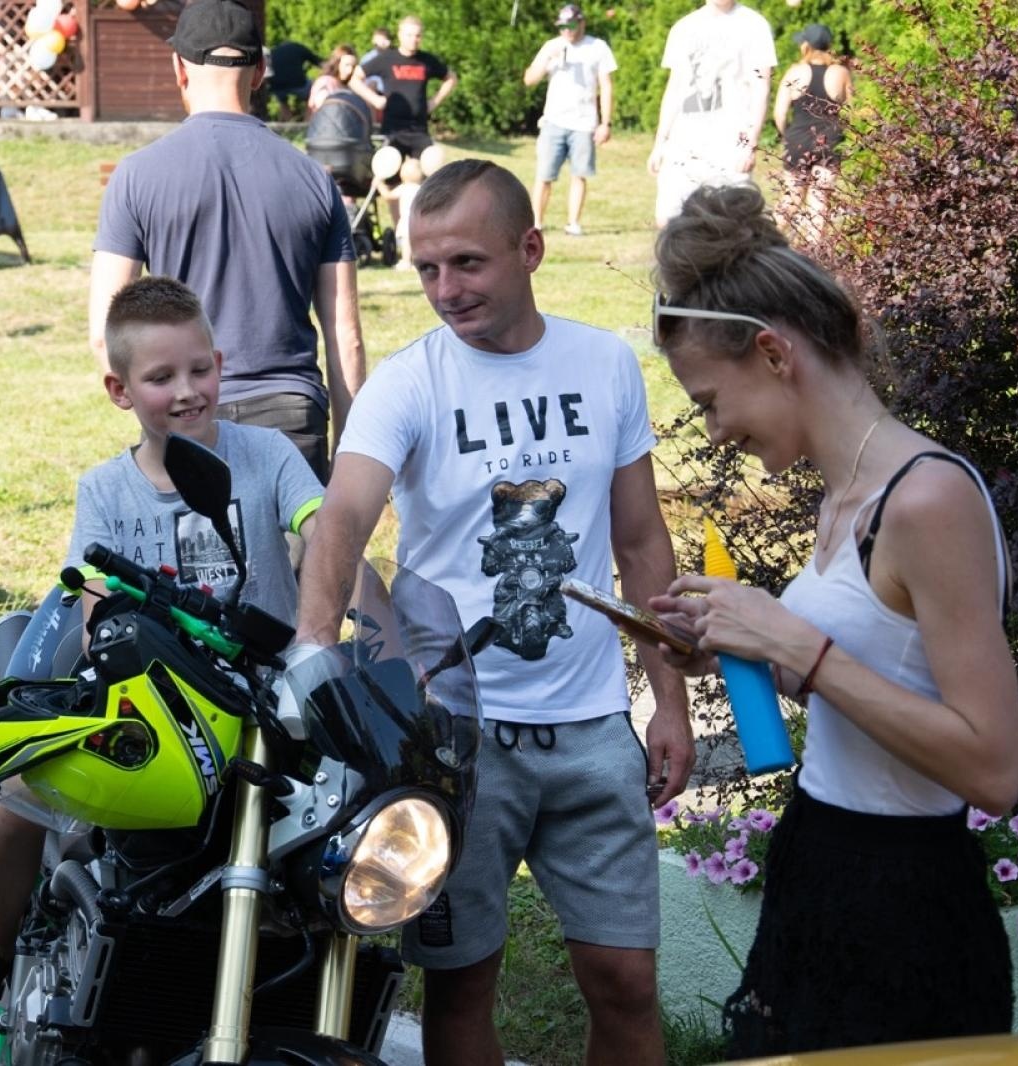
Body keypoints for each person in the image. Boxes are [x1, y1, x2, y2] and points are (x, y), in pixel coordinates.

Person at [290, 159, 693, 1066]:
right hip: (457, 740)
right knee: (462, 984)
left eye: (467, 263)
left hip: (593, 725)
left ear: (531, 248)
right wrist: (315, 646)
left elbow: (641, 541)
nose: (445, 289)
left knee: (626, 983)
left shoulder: (605, 363)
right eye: (427, 268)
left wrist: (666, 701)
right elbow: (343, 517)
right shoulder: (409, 382)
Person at [648, 185, 1018, 1055]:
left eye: (710, 401)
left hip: (909, 906)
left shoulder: (927, 500)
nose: (714, 431)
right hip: (819, 857)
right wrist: (735, 648)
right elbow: (880, 680)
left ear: (774, 353)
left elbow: (995, 768)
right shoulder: (842, 495)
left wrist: (799, 647)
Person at [0, 275, 324, 1024]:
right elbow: (93, 592)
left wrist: (353, 608)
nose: (187, 391)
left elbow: (324, 531)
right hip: (153, 704)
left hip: (264, 709)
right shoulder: (104, 489)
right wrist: (112, 636)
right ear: (120, 389)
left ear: (220, 365)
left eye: (198, 369)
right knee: (21, 792)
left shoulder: (267, 455)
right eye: (161, 377)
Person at [89, 0, 365, 483]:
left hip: (185, 416)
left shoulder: (135, 176)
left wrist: (155, 406)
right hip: (292, 419)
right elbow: (346, 335)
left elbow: (104, 331)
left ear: (179, 68)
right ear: (259, 73)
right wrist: (351, 455)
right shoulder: (315, 180)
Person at [647, 0, 775, 228]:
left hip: (730, 144)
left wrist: (750, 143)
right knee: (669, 220)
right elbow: (675, 88)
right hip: (684, 140)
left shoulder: (754, 25)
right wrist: (660, 143)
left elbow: (761, 87)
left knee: (733, 223)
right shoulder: (684, 27)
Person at [522, 3, 617, 236]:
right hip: (553, 121)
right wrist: (547, 60)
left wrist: (605, 123)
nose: (567, 30)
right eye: (563, 26)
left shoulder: (597, 47)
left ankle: (573, 224)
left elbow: (606, 86)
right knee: (544, 175)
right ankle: (536, 223)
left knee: (579, 174)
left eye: (571, 25)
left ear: (582, 23)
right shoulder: (552, 46)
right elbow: (529, 80)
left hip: (584, 123)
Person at [772, 23, 852, 241]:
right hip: (829, 142)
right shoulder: (841, 73)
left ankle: (766, 246)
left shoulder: (795, 72)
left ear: (806, 46)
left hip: (798, 140)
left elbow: (780, 113)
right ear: (829, 45)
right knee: (819, 203)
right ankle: (815, 254)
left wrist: (787, 135)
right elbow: (851, 113)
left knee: (790, 200)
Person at [351, 15, 456, 159]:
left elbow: (451, 78)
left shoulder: (427, 60)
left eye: (417, 35)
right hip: (393, 129)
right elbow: (354, 79)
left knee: (429, 166)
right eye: (409, 35)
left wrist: (434, 102)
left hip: (419, 129)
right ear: (400, 35)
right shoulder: (386, 58)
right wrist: (375, 99)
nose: (413, 39)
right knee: (388, 169)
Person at [384, 156, 425, 268]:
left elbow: (388, 196)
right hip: (418, 220)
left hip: (406, 220)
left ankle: (406, 261)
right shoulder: (420, 188)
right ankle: (416, 262)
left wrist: (379, 184)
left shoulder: (404, 188)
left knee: (406, 242)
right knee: (416, 242)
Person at [267, 39, 321, 118]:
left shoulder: (273, 51)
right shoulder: (298, 48)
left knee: (283, 102)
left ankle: (286, 121)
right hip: (298, 83)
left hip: (277, 85)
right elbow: (317, 61)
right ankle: (308, 119)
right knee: (311, 94)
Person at [308, 44, 358, 115]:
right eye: (347, 65)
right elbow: (324, 109)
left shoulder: (349, 86)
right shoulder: (325, 82)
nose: (350, 70)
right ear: (337, 64)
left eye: (353, 66)